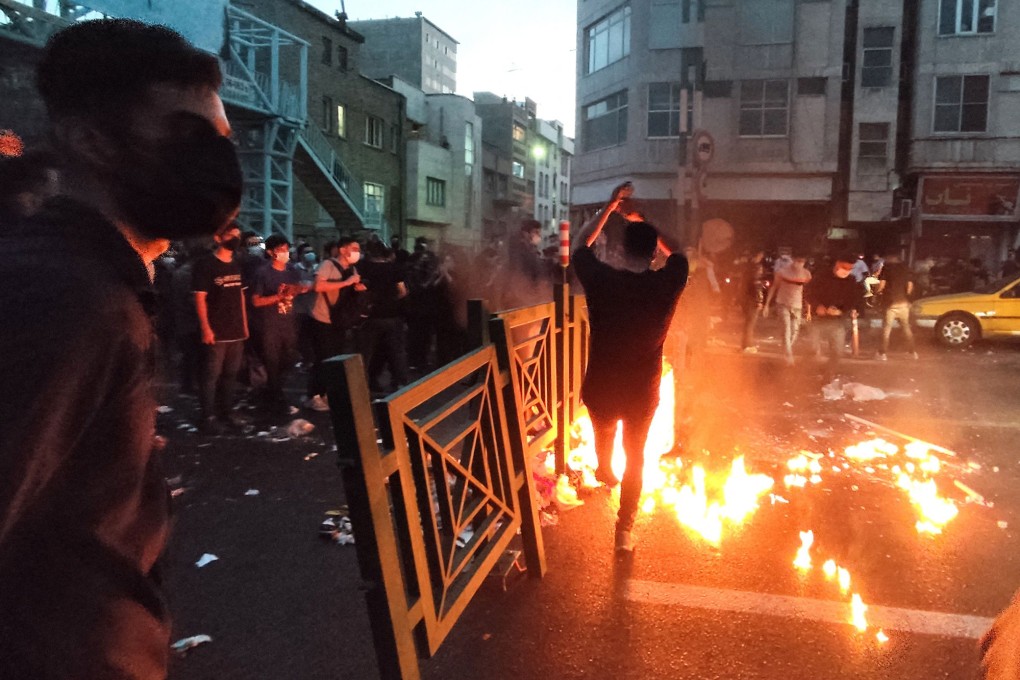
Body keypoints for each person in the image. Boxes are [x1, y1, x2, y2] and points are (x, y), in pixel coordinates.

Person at [0, 18, 241, 678]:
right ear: (90, 140)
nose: (217, 163)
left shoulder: (102, 281)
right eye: (186, 136)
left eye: (222, 139)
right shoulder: (65, 298)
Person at [572, 182, 688, 553]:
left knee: (604, 434)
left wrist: (610, 207)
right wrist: (644, 218)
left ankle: (604, 466)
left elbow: (579, 245)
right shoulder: (666, 284)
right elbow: (681, 250)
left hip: (601, 387)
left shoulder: (602, 280)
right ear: (654, 253)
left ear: (620, 250)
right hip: (642, 391)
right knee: (635, 456)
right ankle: (624, 531)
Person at [193, 222, 250, 433]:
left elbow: (241, 296)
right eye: (231, 235)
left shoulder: (236, 264)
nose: (235, 238)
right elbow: (200, 299)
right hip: (216, 331)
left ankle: (226, 411)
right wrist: (205, 328)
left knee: (230, 375)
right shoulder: (206, 265)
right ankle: (207, 416)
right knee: (211, 376)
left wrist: (244, 325)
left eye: (238, 234)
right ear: (218, 238)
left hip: (236, 331)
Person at [251, 234, 309, 414]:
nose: (285, 253)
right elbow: (256, 301)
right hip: (269, 324)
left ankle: (270, 393)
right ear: (270, 252)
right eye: (280, 250)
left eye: (286, 249)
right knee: (272, 361)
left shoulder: (291, 270)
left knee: (289, 358)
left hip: (288, 321)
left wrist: (299, 289)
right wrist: (279, 297)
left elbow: (299, 287)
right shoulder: (263, 272)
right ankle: (276, 399)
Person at [305, 236, 364, 411]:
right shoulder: (328, 265)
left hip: (339, 320)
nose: (357, 253)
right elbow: (318, 286)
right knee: (322, 358)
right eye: (354, 248)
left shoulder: (352, 268)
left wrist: (358, 288)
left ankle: (327, 394)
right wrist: (346, 282)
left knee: (334, 358)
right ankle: (314, 396)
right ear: (343, 250)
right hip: (322, 318)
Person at [358, 241, 409, 393]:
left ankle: (362, 384)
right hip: (392, 315)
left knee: (366, 353)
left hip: (369, 316)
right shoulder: (394, 268)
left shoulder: (363, 267)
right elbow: (403, 291)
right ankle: (401, 382)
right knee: (396, 351)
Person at [805, 254, 864, 371]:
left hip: (837, 322)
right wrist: (818, 306)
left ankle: (828, 377)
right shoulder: (821, 276)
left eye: (850, 269)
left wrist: (841, 311)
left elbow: (853, 300)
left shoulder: (851, 281)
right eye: (845, 267)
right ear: (837, 264)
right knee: (812, 351)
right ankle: (805, 375)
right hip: (818, 320)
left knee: (837, 353)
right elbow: (808, 293)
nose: (846, 271)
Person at [764, 253, 812, 365]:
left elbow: (808, 293)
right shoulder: (782, 272)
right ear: (793, 260)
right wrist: (766, 304)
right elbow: (774, 287)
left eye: (802, 261)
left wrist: (809, 310)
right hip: (782, 303)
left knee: (794, 331)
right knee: (786, 329)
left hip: (797, 306)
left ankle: (785, 350)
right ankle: (789, 357)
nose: (799, 264)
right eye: (798, 260)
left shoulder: (806, 274)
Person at [875, 251, 918, 361]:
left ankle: (882, 353)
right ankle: (912, 352)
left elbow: (882, 285)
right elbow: (910, 286)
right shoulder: (905, 268)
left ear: (890, 258)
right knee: (906, 327)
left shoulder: (887, 268)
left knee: (886, 328)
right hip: (903, 303)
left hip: (890, 303)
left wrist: (877, 291)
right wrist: (906, 297)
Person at [739, 250, 767, 353]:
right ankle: (747, 345)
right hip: (752, 299)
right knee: (751, 323)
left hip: (745, 298)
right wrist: (759, 300)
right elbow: (757, 285)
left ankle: (745, 344)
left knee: (747, 322)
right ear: (759, 255)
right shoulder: (756, 267)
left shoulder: (746, 266)